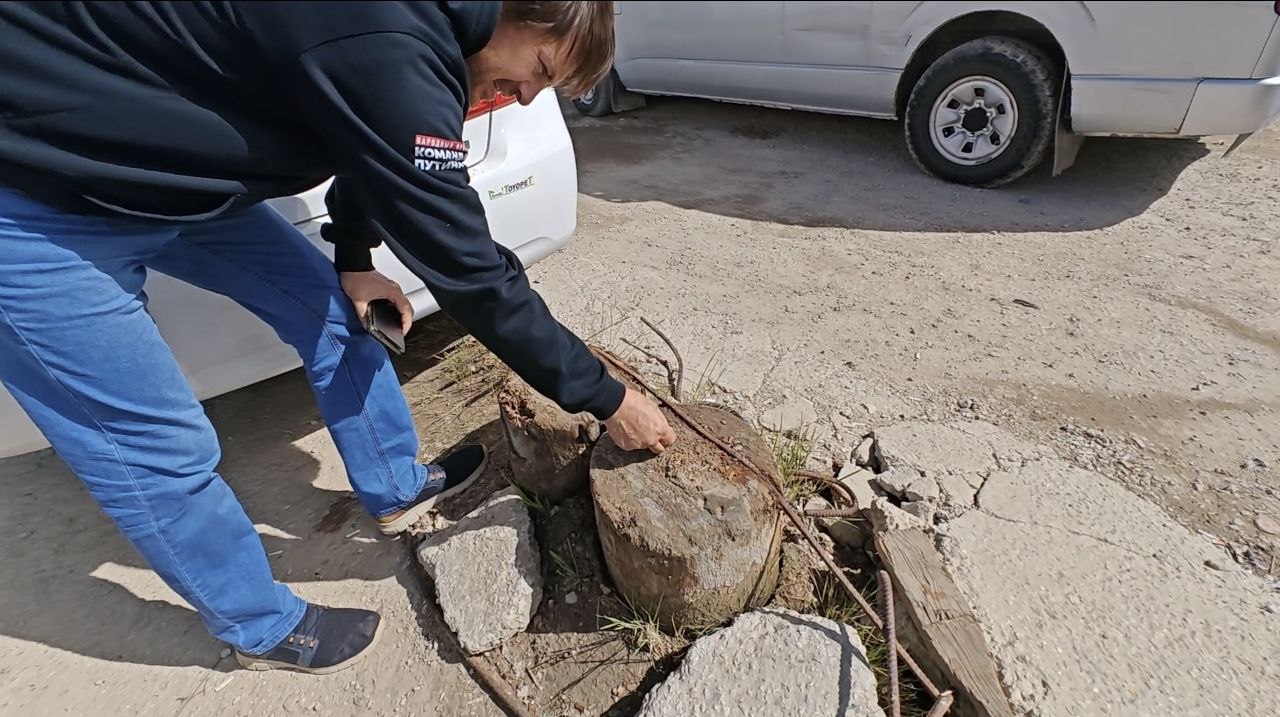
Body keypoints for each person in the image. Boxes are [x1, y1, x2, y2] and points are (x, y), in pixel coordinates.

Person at [0, 1, 676, 675]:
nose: (527, 97)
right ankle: (258, 625)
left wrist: (354, 259)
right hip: (34, 200)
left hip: (154, 166)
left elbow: (365, 132)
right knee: (154, 444)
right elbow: (476, 277)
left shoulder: (418, 37)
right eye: (540, 69)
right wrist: (609, 398)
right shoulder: (391, 43)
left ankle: (395, 484)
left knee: (334, 313)